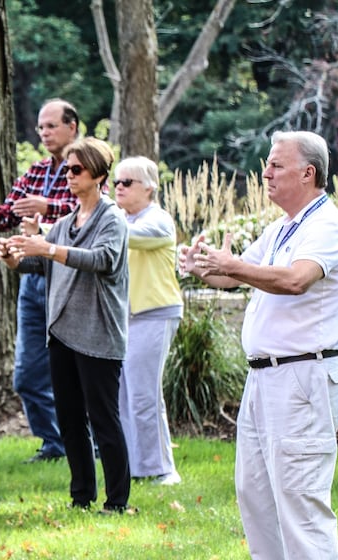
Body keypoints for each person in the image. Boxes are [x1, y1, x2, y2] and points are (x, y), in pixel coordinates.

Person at [179, 131, 338, 559]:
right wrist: (201, 268)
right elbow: (236, 274)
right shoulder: (282, 227)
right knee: (255, 496)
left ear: (308, 173)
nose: (266, 172)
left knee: (300, 502)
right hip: (264, 380)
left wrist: (233, 265)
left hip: (302, 380)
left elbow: (296, 279)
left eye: (276, 165)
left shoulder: (327, 226)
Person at [0, 137, 133, 514]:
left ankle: (117, 501)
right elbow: (38, 264)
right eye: (66, 170)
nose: (68, 176)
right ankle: (81, 497)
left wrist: (46, 247)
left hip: (99, 335)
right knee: (70, 422)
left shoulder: (112, 219)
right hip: (61, 333)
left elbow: (103, 260)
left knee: (104, 421)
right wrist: (12, 257)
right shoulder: (67, 222)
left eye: (76, 170)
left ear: (99, 175)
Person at [0, 99, 80, 463]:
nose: (45, 133)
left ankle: (87, 443)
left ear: (72, 127)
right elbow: (7, 214)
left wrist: (48, 208)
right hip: (33, 280)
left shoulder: (88, 167)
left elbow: (97, 211)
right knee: (27, 376)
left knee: (76, 373)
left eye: (51, 126)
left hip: (71, 282)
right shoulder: (35, 172)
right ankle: (55, 443)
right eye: (41, 128)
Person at [112, 156, 182, 485]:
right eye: (116, 182)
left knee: (144, 395)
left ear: (149, 188)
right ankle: (137, 467)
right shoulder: (120, 219)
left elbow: (128, 236)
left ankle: (161, 469)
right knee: (126, 395)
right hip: (128, 317)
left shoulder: (159, 221)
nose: (118, 188)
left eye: (127, 183)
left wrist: (95, 212)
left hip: (155, 314)